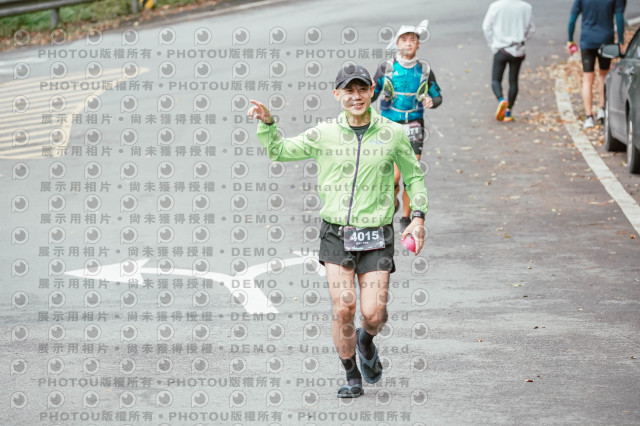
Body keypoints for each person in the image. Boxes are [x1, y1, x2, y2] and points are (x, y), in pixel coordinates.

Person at [248, 64, 428, 398]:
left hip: (377, 234)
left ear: (372, 91)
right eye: (349, 91)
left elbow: (414, 177)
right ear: (337, 95)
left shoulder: (393, 133)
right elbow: (279, 151)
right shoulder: (324, 133)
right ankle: (351, 374)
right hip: (336, 232)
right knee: (344, 307)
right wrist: (268, 124)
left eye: (362, 90)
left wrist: (417, 217)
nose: (356, 97)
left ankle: (365, 340)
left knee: (373, 314)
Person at [372, 20, 442, 233]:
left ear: (418, 44)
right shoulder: (386, 68)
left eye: (413, 40)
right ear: (397, 44)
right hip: (390, 125)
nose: (409, 43)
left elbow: (437, 96)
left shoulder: (424, 70)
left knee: (411, 174)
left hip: (414, 125)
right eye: (404, 40)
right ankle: (392, 203)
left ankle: (405, 217)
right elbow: (372, 94)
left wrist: (431, 101)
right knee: (393, 176)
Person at [567, 0, 625, 129]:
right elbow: (619, 18)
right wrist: (621, 40)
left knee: (587, 79)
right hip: (606, 40)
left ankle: (588, 117)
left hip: (587, 41)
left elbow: (572, 19)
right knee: (603, 76)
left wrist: (570, 40)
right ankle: (602, 109)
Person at [482, 0, 535, 123]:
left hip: (500, 48)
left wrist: (492, 43)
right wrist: (523, 38)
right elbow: (531, 29)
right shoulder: (526, 7)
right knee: (513, 81)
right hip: (518, 49)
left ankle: (501, 100)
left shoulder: (496, 6)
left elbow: (486, 27)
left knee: (496, 80)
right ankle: (508, 112)